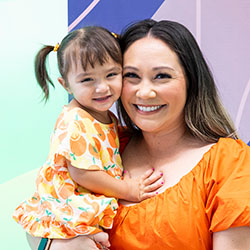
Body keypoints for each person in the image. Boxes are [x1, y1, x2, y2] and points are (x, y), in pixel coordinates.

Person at [26, 19, 250, 250]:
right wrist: (54, 245)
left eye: (162, 76)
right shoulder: (107, 144)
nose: (145, 92)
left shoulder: (228, 161)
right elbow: (38, 217)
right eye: (131, 75)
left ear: (191, 82)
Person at [13, 25, 164, 249]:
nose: (102, 87)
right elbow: (83, 174)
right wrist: (129, 190)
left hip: (75, 215)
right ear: (67, 85)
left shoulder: (103, 115)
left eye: (111, 75)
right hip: (61, 213)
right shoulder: (77, 121)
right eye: (87, 80)